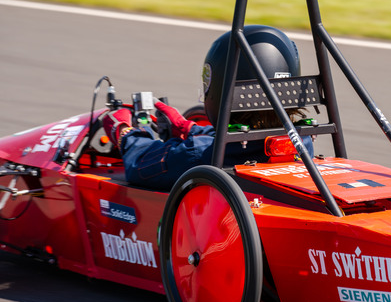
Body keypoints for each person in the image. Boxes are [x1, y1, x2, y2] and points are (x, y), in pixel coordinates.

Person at [102, 25, 313, 190]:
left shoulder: (200, 156)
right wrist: (189, 128)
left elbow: (139, 164)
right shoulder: (302, 142)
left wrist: (125, 132)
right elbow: (243, 143)